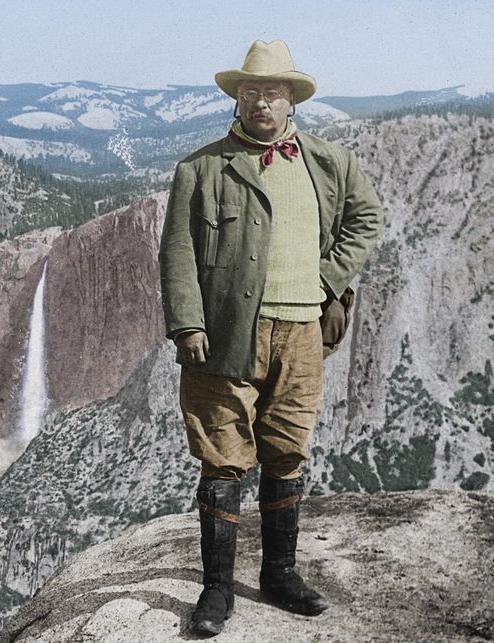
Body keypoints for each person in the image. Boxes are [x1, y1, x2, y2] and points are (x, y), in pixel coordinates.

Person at [158, 40, 383, 635]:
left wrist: (327, 277)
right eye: (251, 91)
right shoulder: (201, 169)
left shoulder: (329, 163)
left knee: (287, 451)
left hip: (303, 330)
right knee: (223, 457)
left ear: (291, 101)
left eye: (273, 92)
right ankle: (215, 590)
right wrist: (187, 323)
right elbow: (177, 252)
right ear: (238, 99)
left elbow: (367, 220)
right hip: (227, 335)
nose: (261, 102)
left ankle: (279, 575)